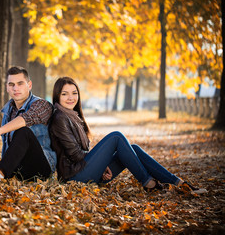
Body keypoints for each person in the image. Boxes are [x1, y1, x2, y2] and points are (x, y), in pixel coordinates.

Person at [49, 77, 206, 193]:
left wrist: (100, 164)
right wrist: (100, 164)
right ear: (57, 96)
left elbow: (82, 154)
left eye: (74, 93)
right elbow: (76, 155)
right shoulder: (60, 118)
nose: (71, 97)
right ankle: (148, 182)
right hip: (74, 177)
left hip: (83, 169)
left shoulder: (73, 116)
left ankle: (178, 183)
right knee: (116, 136)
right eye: (65, 94)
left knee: (134, 148)